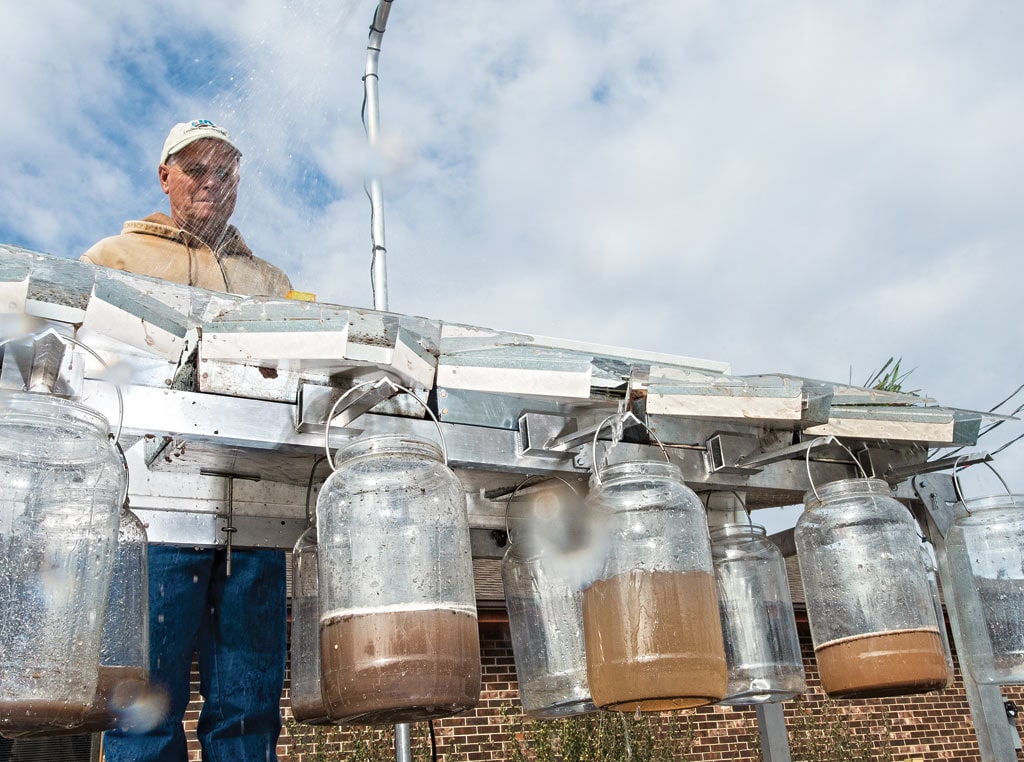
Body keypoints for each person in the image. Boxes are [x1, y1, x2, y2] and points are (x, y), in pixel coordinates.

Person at [83, 119, 290, 762]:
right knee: (145, 700)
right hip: (153, 509)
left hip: (254, 511)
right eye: (195, 168)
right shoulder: (113, 259)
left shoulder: (270, 282)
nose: (211, 181)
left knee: (249, 706)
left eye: (224, 171)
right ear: (165, 177)